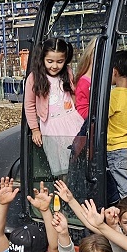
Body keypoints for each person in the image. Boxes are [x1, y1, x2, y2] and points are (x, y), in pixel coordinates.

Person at [25, 37, 82, 177]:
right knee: (62, 168)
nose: (55, 66)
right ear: (42, 58)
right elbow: (29, 105)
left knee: (78, 163)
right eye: (50, 61)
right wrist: (35, 129)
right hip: (51, 125)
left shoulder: (67, 72)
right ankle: (65, 195)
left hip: (72, 120)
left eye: (59, 61)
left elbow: (73, 94)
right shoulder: (34, 78)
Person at [106, 50, 127, 200]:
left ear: (114, 71)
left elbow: (100, 120)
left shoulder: (113, 96)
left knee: (125, 189)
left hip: (116, 148)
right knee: (126, 183)